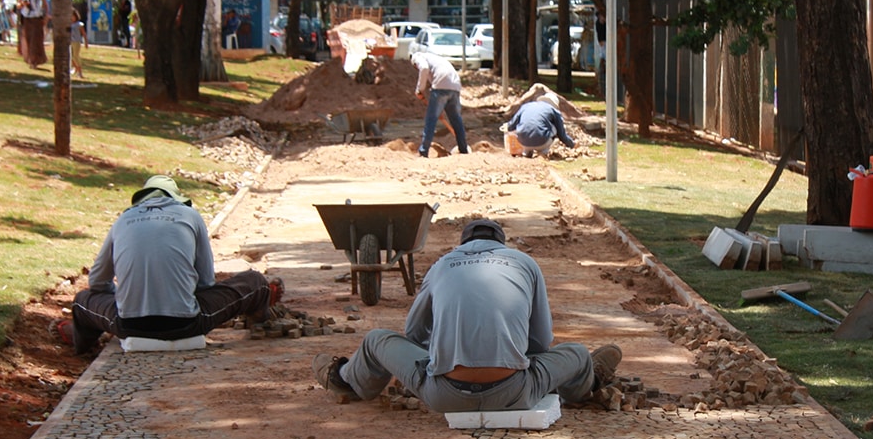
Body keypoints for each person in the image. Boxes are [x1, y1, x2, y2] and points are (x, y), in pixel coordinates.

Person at [313, 218, 621, 412]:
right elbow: (541, 341)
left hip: (443, 396)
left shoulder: (443, 264)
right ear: (501, 243)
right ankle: (587, 384)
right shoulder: (524, 263)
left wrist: (446, 346)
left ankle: (345, 381)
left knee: (377, 339)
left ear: (464, 244)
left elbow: (414, 333)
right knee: (577, 353)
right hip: (516, 393)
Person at [65, 175, 282, 354]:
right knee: (255, 281)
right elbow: (206, 282)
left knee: (82, 301)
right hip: (187, 324)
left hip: (128, 325)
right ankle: (259, 318)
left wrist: (121, 295)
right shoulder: (190, 215)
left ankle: (82, 346)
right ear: (176, 198)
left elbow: (97, 282)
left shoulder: (123, 220)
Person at [410, 50, 469, 156]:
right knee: (456, 119)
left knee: (431, 119)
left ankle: (423, 151)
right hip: (455, 86)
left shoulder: (418, 57)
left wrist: (419, 89)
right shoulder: (436, 59)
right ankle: (463, 149)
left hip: (441, 86)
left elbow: (423, 68)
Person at [504, 94, 576, 158]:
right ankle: (543, 152)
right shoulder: (553, 110)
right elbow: (562, 135)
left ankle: (526, 151)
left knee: (525, 126)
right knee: (554, 127)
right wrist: (572, 145)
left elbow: (511, 126)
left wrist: (506, 128)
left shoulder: (525, 106)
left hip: (522, 142)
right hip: (542, 142)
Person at [17, 0, 48, 68]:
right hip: (27, 18)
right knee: (28, 39)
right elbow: (18, 4)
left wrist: (45, 16)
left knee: (36, 39)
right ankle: (29, 59)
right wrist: (23, 4)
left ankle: (35, 60)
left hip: (37, 17)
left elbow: (44, 4)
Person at [69, 13, 86, 78]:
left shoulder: (79, 24)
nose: (72, 18)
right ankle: (76, 68)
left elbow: (83, 33)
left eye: (73, 16)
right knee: (71, 57)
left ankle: (80, 72)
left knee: (76, 56)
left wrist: (86, 42)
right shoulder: (70, 24)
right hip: (70, 41)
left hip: (76, 42)